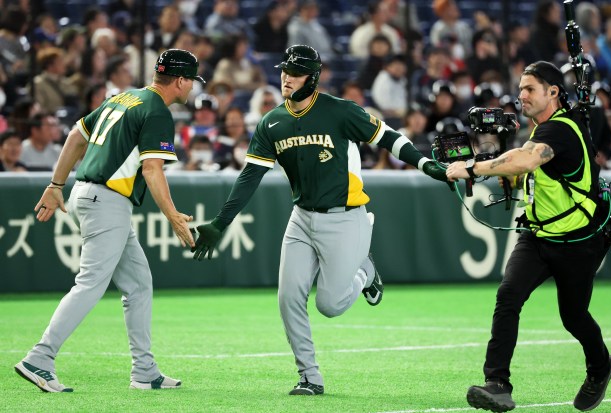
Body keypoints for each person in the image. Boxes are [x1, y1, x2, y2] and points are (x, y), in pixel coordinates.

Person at [190, 44, 450, 395]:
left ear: (312, 78)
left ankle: (364, 271)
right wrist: (221, 223)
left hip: (346, 218)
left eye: (295, 72)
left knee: (329, 305)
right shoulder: (273, 121)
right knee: (288, 298)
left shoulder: (339, 111)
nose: (286, 77)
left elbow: (387, 136)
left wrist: (423, 163)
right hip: (301, 218)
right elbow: (250, 176)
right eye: (284, 70)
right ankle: (310, 377)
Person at [14, 48, 201, 393]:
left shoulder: (125, 97)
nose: (192, 88)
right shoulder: (157, 110)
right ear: (179, 80)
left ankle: (144, 371)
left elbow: (75, 135)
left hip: (87, 195)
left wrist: (57, 184)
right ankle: (39, 358)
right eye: (191, 81)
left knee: (139, 283)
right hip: (107, 201)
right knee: (90, 283)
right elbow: (152, 168)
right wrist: (173, 216)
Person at [446, 61, 611, 413]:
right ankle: (497, 384)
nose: (520, 95)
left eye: (529, 89)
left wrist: (474, 168)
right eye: (521, 88)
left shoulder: (561, 129)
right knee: (508, 295)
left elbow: (525, 161)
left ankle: (601, 367)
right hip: (538, 236)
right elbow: (529, 167)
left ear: (553, 92)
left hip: (578, 241)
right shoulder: (542, 131)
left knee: (574, 316)